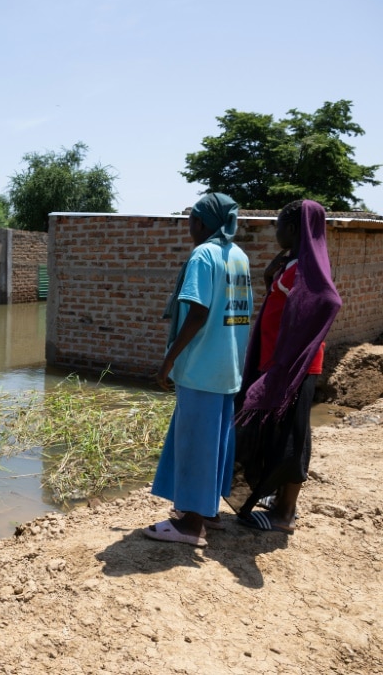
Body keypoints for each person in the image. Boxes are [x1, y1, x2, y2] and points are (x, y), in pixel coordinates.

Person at [144, 192, 252, 547]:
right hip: (228, 366)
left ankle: (190, 527)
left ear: (203, 223)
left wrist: (169, 359)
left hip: (202, 367)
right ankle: (207, 511)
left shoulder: (204, 255)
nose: (189, 226)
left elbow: (199, 312)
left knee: (194, 444)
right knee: (216, 442)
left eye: (192, 219)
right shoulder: (238, 256)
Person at [227, 200, 342, 533]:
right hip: (279, 363)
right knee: (278, 433)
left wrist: (291, 349)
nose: (274, 230)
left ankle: (285, 514)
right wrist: (269, 279)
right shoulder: (294, 263)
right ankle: (277, 500)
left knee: (292, 438)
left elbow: (327, 300)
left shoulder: (307, 268)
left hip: (295, 368)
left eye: (278, 224)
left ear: (293, 229)